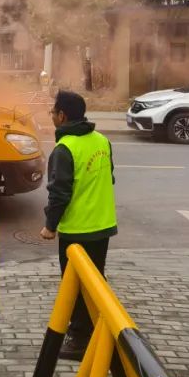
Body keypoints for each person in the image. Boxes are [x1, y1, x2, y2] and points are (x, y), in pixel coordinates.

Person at [40, 90, 117, 361]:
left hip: (78, 230)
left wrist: (50, 226)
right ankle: (101, 327)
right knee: (96, 281)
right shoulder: (102, 141)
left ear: (62, 116)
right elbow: (110, 177)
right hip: (103, 225)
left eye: (52, 112)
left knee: (75, 285)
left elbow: (59, 192)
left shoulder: (65, 148)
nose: (51, 116)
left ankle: (79, 338)